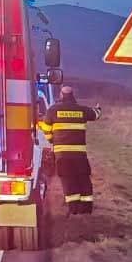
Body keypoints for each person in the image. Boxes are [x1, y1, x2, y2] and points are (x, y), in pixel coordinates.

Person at [38, 83, 98, 215]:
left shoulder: (53, 110)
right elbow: (95, 114)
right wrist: (98, 108)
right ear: (72, 95)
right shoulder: (81, 110)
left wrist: (51, 140)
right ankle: (86, 209)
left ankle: (74, 209)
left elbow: (46, 129)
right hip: (79, 154)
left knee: (68, 180)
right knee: (83, 179)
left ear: (61, 95)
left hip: (62, 155)